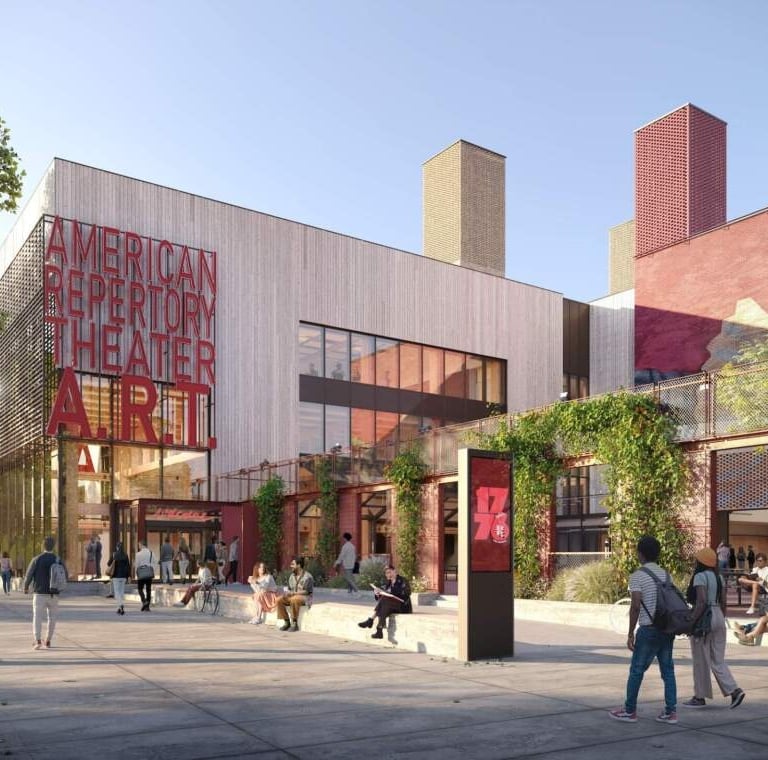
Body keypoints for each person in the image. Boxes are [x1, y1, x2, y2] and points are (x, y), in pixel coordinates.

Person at [608, 535, 678, 724]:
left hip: (648, 630)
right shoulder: (666, 574)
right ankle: (670, 712)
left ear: (640, 554)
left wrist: (630, 632)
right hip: (667, 629)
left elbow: (636, 606)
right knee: (668, 671)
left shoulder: (638, 576)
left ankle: (629, 711)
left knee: (637, 670)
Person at [681, 547, 745, 709]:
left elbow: (701, 602)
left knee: (700, 659)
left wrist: (692, 620)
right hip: (718, 615)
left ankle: (699, 697)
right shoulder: (719, 578)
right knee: (717, 659)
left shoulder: (699, 577)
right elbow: (724, 602)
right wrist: (720, 618)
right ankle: (734, 690)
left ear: (700, 562)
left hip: (705, 618)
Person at [23, 536, 68, 650]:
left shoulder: (37, 559)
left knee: (37, 617)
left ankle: (37, 640)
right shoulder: (58, 559)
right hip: (54, 594)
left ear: (43, 546)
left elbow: (29, 575)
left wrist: (26, 587)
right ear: (53, 546)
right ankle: (48, 640)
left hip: (39, 594)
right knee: (52, 618)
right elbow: (65, 575)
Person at [358, 564, 412, 639]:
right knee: (385, 604)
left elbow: (407, 593)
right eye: (386, 573)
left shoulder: (403, 580)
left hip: (402, 606)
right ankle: (379, 630)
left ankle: (371, 620)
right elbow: (381, 598)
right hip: (390, 606)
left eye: (390, 572)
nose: (388, 574)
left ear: (395, 571)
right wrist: (377, 593)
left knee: (385, 602)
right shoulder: (388, 583)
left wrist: (390, 591)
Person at [276, 557, 314, 631]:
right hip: (293, 596)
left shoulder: (307, 577)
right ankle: (287, 622)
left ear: (299, 565)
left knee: (294, 599)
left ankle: (294, 623)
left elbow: (307, 591)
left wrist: (294, 593)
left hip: (305, 597)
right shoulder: (292, 576)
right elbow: (290, 589)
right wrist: (287, 593)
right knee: (279, 600)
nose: (291, 566)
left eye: (293, 564)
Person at [106, 542, 131, 616]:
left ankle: (120, 605)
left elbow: (108, 563)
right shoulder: (126, 555)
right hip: (123, 576)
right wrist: (129, 576)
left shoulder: (114, 554)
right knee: (121, 592)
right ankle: (119, 608)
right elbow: (128, 566)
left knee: (117, 593)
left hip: (116, 576)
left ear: (117, 547)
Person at [135, 540, 154, 612]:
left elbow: (136, 565)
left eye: (139, 545)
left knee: (140, 589)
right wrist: (151, 568)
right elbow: (155, 562)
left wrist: (136, 573)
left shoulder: (138, 554)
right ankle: (147, 607)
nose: (139, 546)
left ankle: (144, 602)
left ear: (142, 544)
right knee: (148, 590)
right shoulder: (151, 553)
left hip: (141, 573)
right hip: (149, 573)